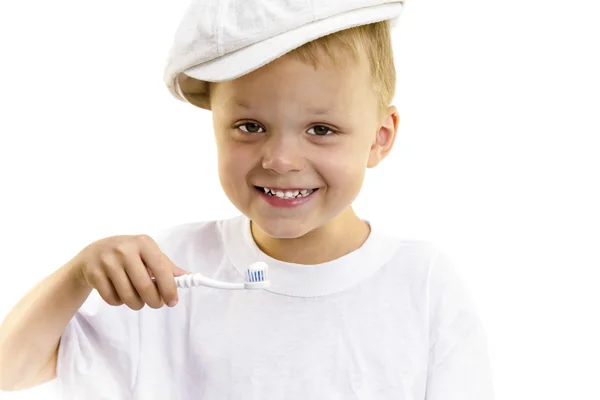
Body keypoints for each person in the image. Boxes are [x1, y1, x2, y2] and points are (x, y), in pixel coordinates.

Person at [0, 0, 494, 398]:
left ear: (379, 138)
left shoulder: (423, 287)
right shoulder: (174, 270)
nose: (280, 159)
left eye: (321, 130)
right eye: (250, 127)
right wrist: (80, 271)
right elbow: (10, 371)